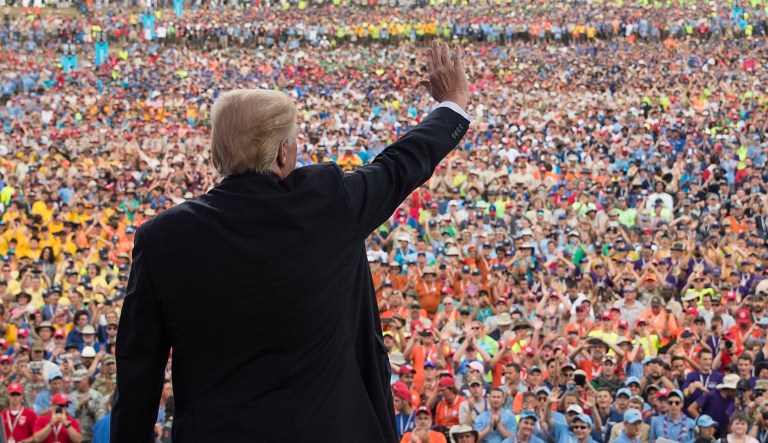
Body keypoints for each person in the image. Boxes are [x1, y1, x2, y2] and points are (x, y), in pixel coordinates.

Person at [111, 41, 471, 442]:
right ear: (283, 154)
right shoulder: (327, 203)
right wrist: (452, 104)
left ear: (217, 156)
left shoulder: (162, 237)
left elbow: (137, 372)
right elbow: (401, 164)